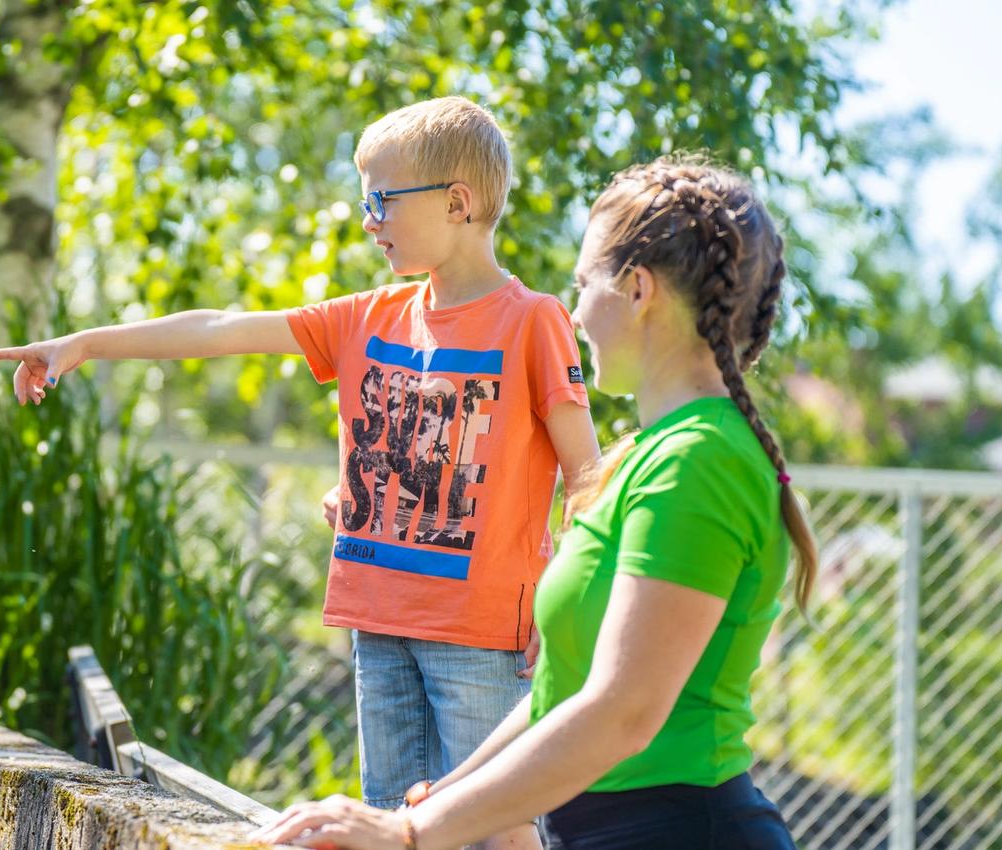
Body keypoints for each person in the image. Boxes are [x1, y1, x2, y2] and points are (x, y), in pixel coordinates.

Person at [0, 96, 600, 850]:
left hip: (477, 634)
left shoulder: (532, 320)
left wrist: (563, 586)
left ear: (458, 203)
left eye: (381, 200)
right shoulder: (367, 316)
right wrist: (84, 344)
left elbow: (587, 474)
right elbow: (218, 329)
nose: (368, 219)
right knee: (388, 820)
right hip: (376, 622)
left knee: (491, 825)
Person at [250, 156, 818, 850]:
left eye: (583, 286)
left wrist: (409, 831)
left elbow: (621, 713)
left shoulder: (700, 461)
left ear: (637, 289)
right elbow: (560, 692)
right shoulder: (650, 453)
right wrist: (422, 808)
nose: (574, 313)